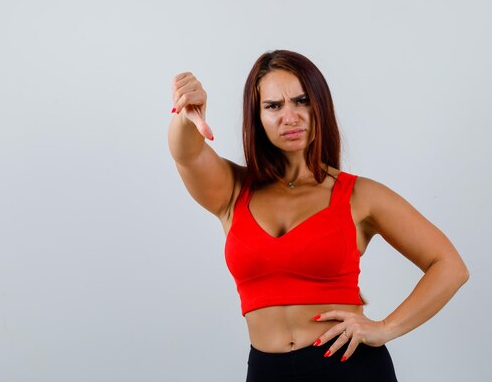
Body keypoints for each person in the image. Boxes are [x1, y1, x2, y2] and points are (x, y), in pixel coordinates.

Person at [168, 50, 469, 382]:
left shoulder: (360, 195)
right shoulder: (232, 191)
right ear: (257, 117)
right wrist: (186, 115)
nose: (290, 116)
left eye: (301, 101)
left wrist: (385, 328)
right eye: (273, 106)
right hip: (267, 372)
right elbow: (188, 153)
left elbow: (449, 265)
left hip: (349, 368)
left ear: (320, 107)